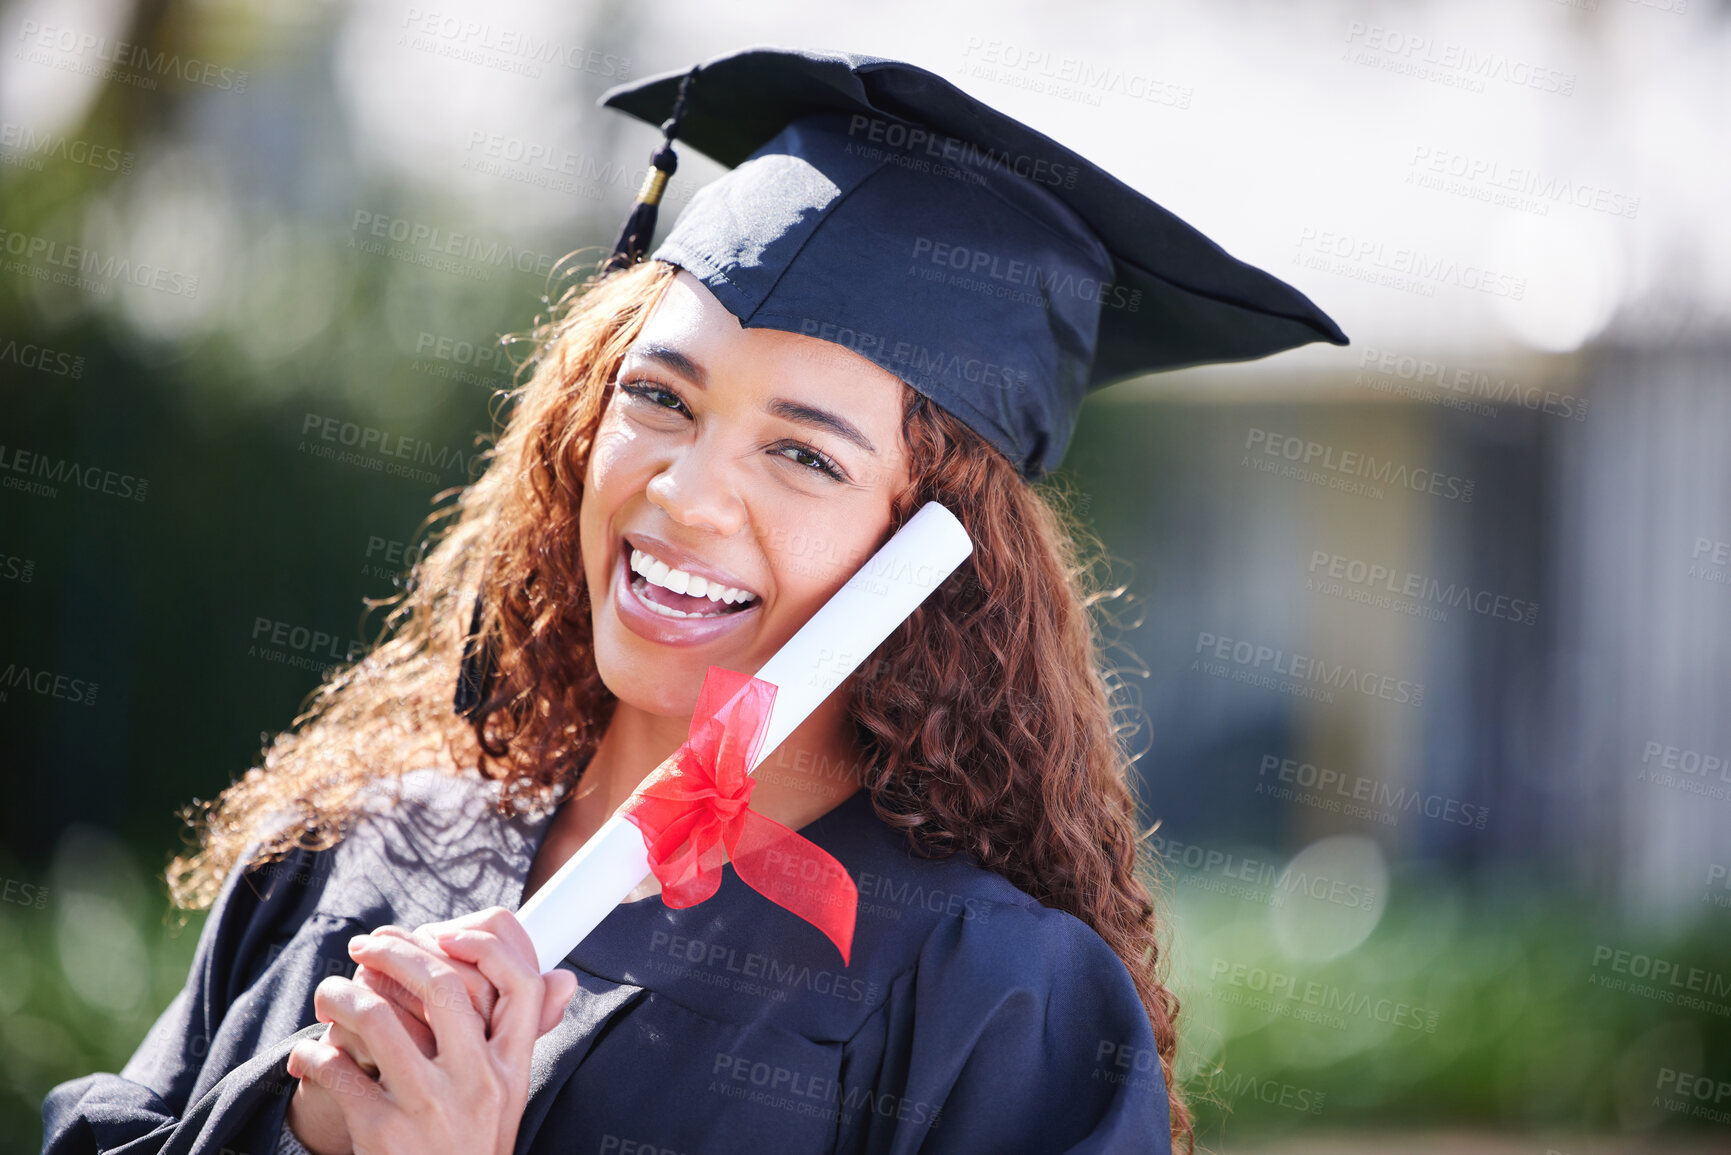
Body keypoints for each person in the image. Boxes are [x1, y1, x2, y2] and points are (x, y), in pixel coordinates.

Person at [41, 47, 1346, 1155]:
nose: (685, 495)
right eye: (658, 398)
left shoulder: (994, 1006)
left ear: (938, 567)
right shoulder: (351, 868)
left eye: (805, 454)